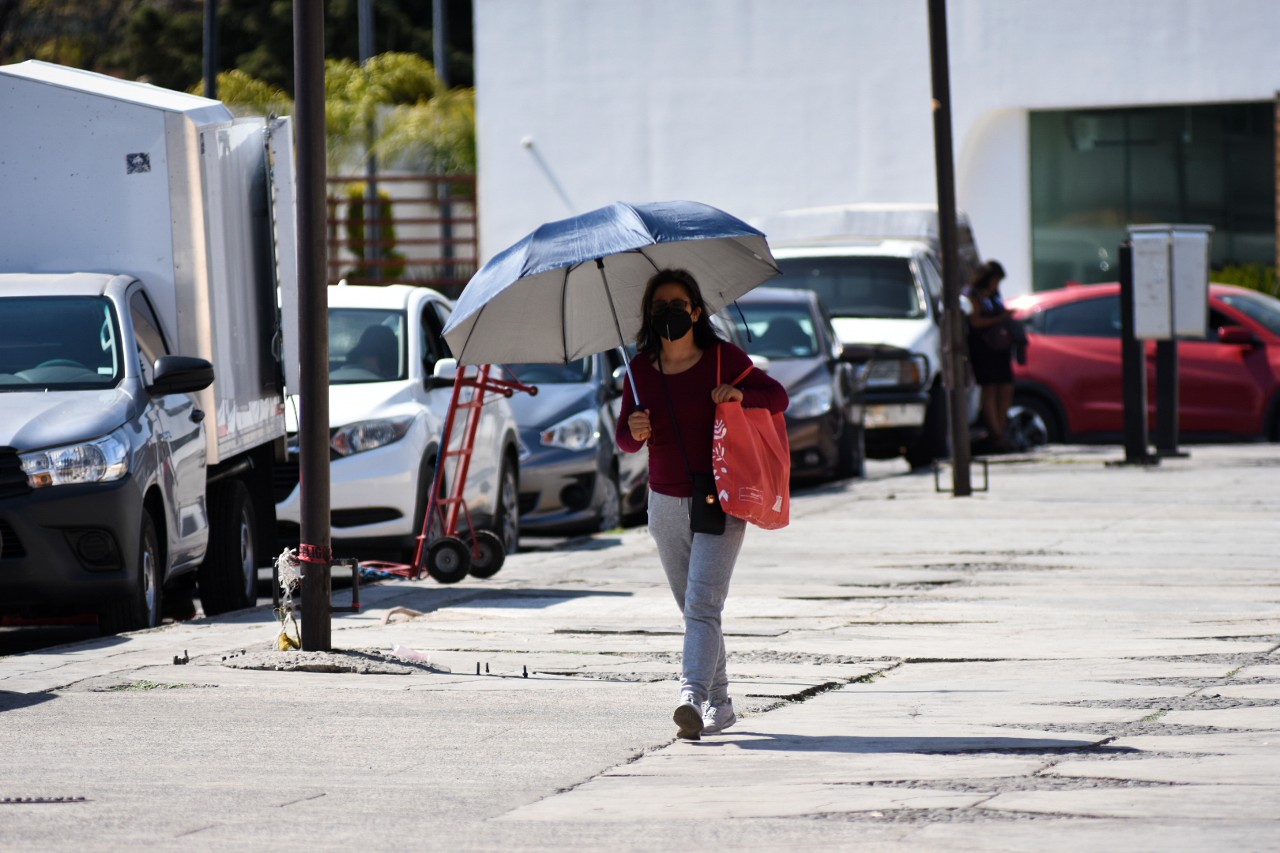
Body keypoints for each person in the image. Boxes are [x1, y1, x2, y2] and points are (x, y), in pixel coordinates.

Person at [616, 268, 789, 740]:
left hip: (721, 499)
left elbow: (777, 396)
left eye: (678, 305)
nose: (669, 314)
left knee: (702, 605)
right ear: (649, 316)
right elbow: (623, 440)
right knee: (696, 610)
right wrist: (634, 430)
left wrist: (739, 393)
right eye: (659, 308)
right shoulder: (640, 368)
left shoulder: (721, 359)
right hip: (664, 503)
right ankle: (723, 704)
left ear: (695, 311)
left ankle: (689, 695)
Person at [964, 260, 1016, 450]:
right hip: (983, 349)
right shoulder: (972, 295)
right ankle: (996, 433)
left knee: (1005, 388)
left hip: (1000, 349)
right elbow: (975, 322)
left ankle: (1001, 430)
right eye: (996, 280)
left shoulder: (994, 295)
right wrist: (1000, 318)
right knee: (990, 389)